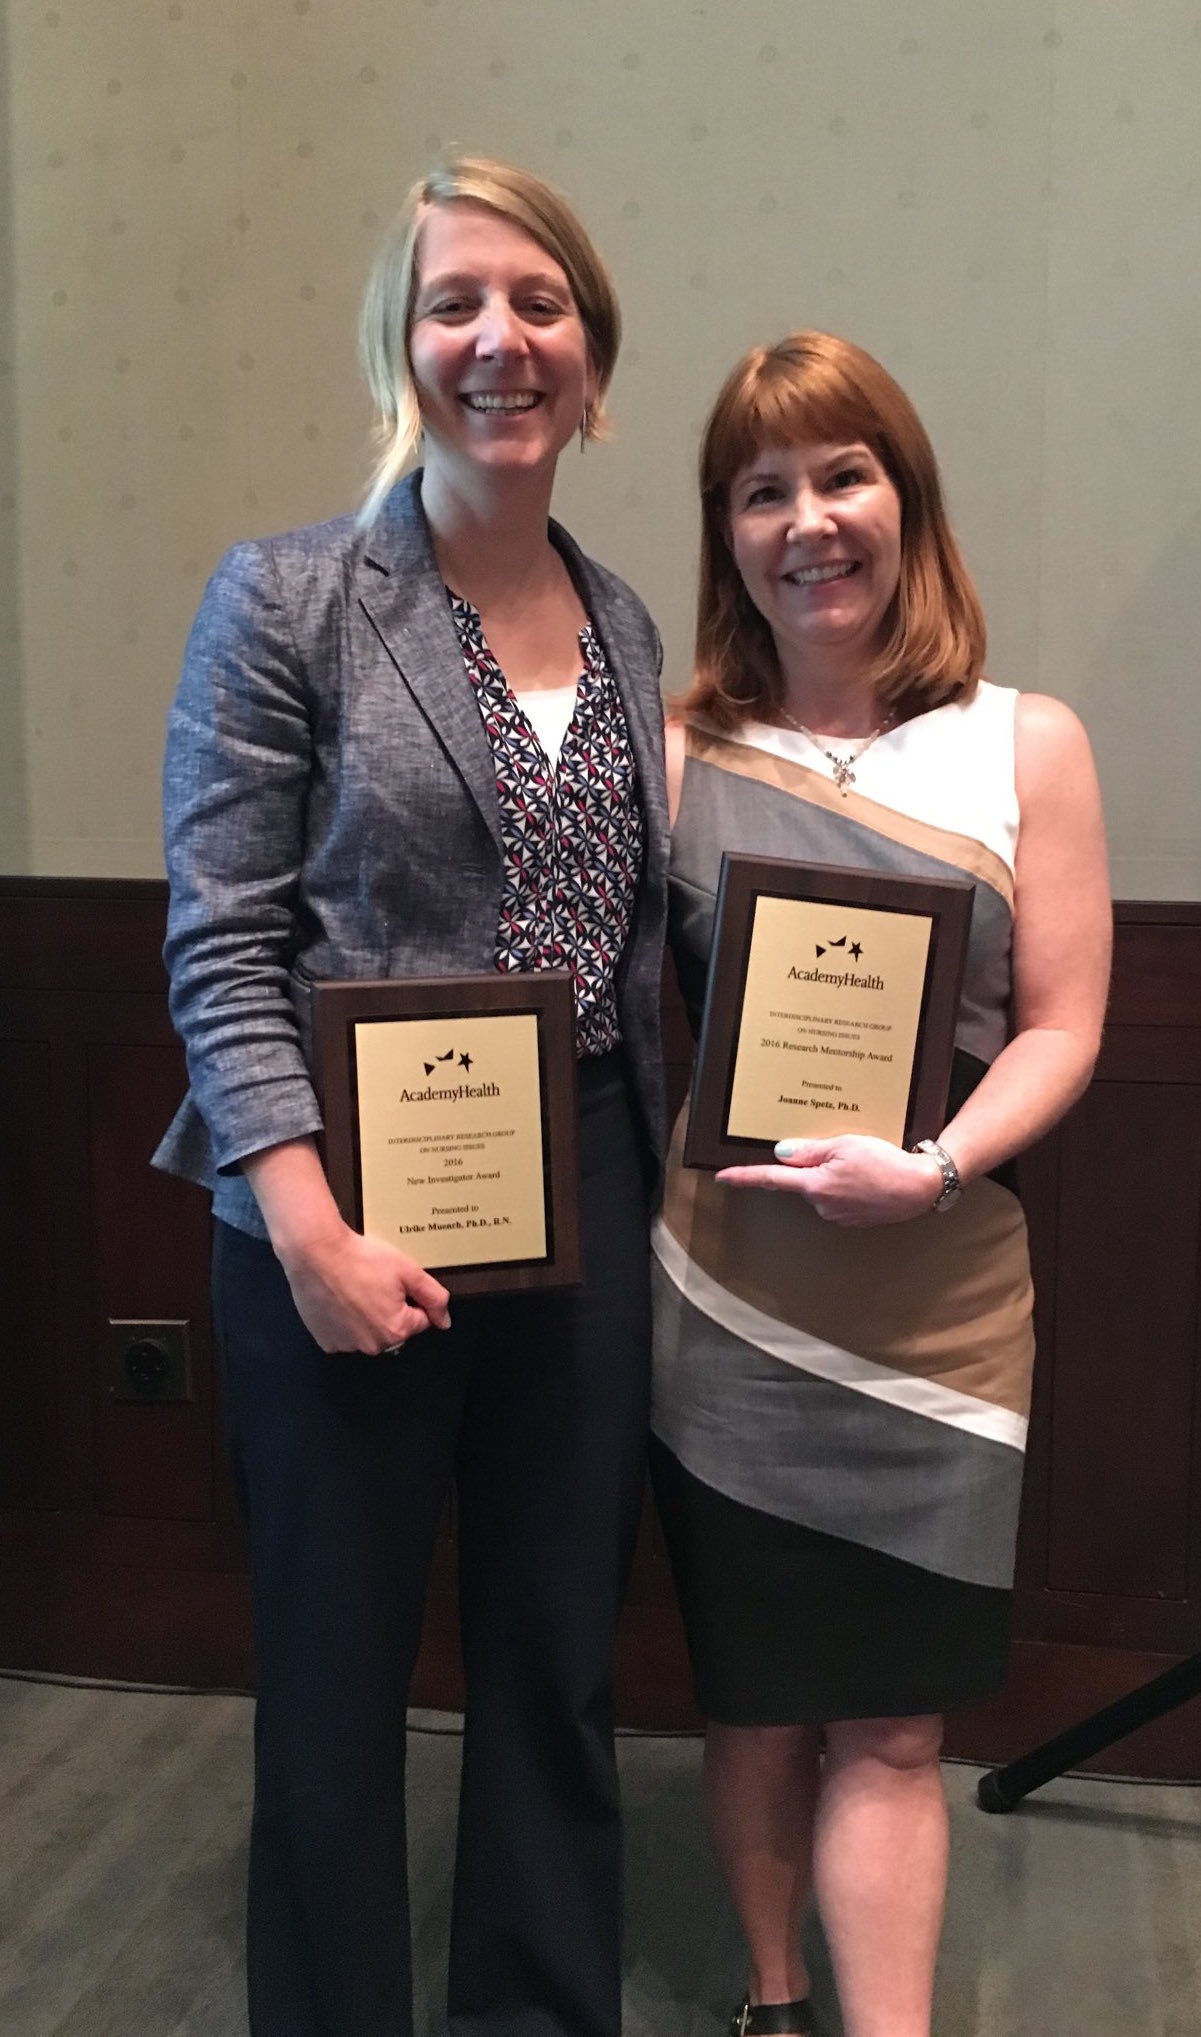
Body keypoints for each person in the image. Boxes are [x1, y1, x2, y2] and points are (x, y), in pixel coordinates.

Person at [153, 157, 668, 2037]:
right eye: (455, 302)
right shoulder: (285, 598)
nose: (498, 339)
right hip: (335, 1208)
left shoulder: (625, 625)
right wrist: (300, 1226)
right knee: (338, 1665)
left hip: (582, 1190)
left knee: (552, 1656)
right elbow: (221, 942)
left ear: (592, 360)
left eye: (538, 303)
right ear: (403, 346)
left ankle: (535, 2006)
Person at [650, 331, 1110, 2037]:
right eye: (762, 490)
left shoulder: (1024, 744)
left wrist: (933, 1162)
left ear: (906, 503)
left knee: (897, 1723)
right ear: (728, 535)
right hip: (726, 1308)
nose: (807, 520)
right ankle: (774, 2000)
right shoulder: (682, 747)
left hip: (941, 1314)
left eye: (842, 475)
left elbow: (1062, 1026)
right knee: (763, 1701)